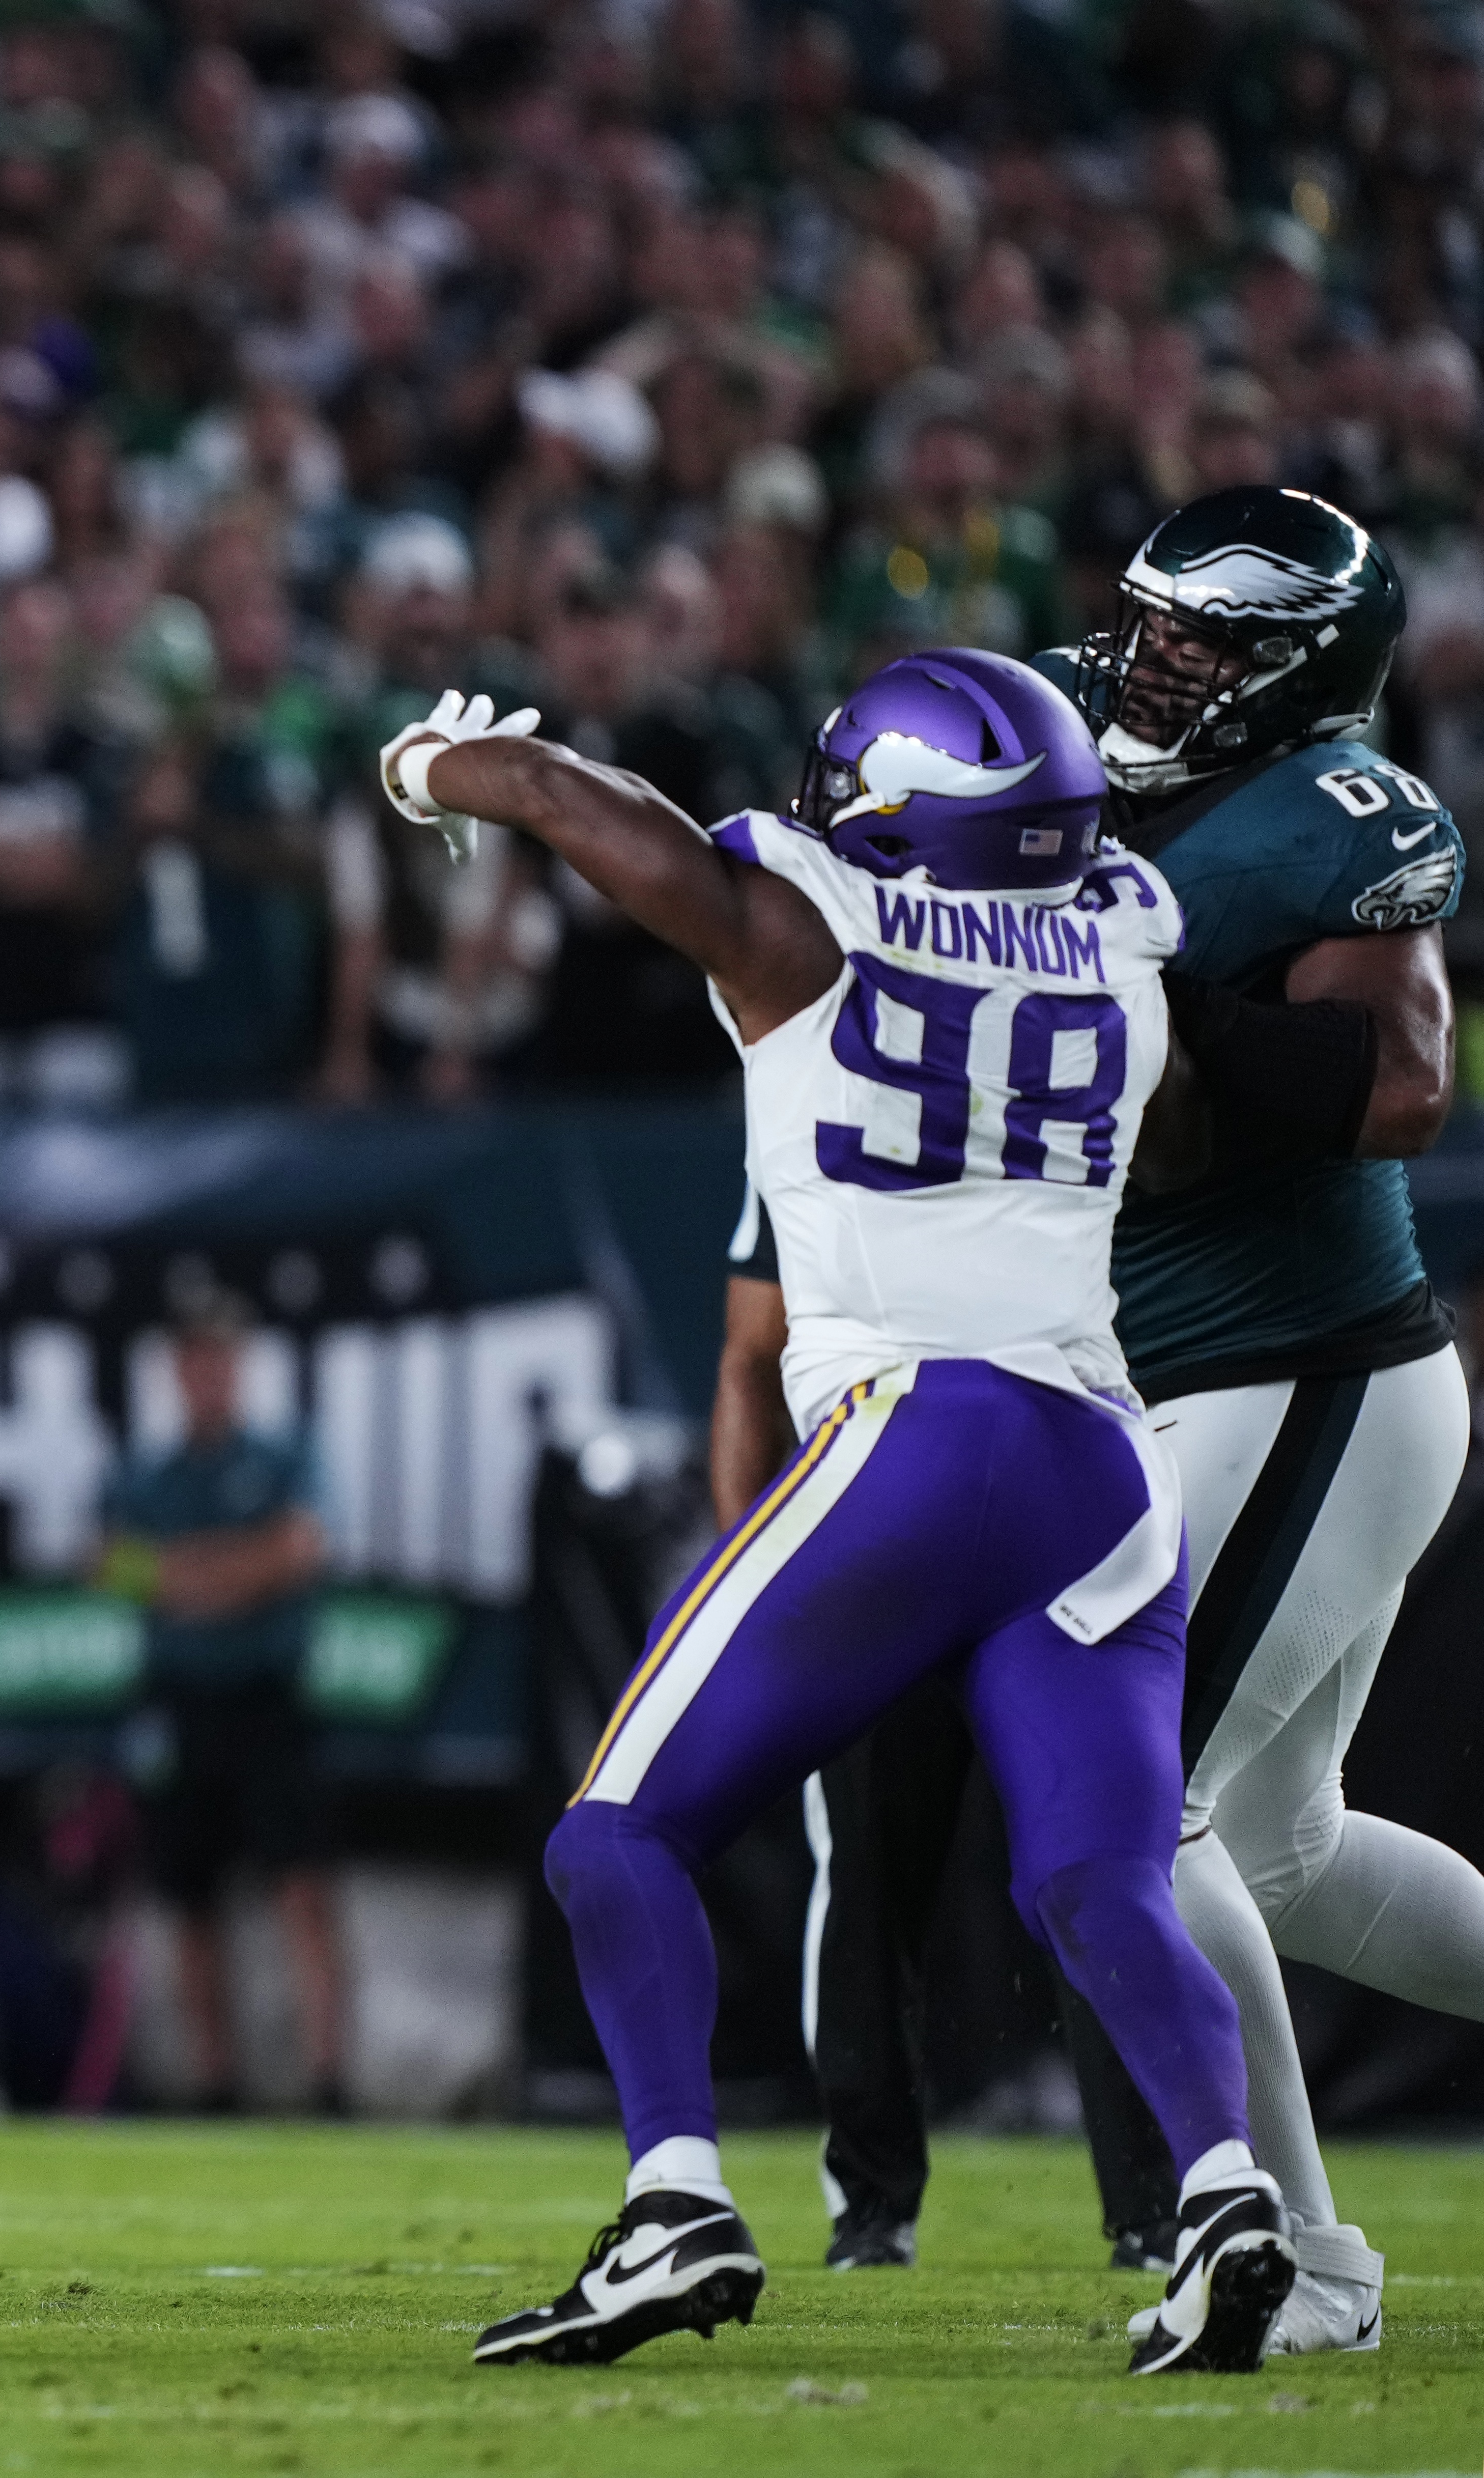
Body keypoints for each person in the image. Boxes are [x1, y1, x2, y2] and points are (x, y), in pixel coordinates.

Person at [399, 651, 1291, 2376]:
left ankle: (671, 2198)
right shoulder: (1122, 937)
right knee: (1105, 1883)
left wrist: (435, 766)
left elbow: (585, 810)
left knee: (615, 1833)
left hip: (919, 1425)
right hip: (1103, 1458)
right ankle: (1226, 2198)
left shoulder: (805, 928)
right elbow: (1175, 1139)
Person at [1049, 485, 1484, 2356]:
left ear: (1306, 669)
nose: (1161, 658)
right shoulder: (1055, 723)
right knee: (1285, 1849)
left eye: (1212, 639)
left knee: (1143, 1816)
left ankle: (1308, 2257)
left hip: (1308, 1366)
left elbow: (1401, 1087)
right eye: (1155, 620)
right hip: (1194, 1371)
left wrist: (1165, 1008)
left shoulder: (1330, 819)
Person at [712, 1187, 1179, 2272]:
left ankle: (1162, 2198)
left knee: (1102, 1861)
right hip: (885, 1531)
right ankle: (870, 2206)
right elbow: (750, 1349)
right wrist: (755, 1585)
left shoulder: (1045, 1064)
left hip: (1049, 1518)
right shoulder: (813, 1090)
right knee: (873, 1870)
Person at [98, 1289, 341, 2114]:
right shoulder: (146, 1475)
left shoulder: (279, 1458)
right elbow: (113, 1571)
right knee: (187, 1895)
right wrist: (236, 1569)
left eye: (219, 1356)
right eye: (191, 1356)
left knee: (301, 1885)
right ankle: (213, 2080)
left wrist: (184, 1576)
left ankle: (326, 2080)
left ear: (239, 1366)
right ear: (175, 1369)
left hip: (266, 1695)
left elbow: (297, 1553)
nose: (206, 1372)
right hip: (179, 1702)